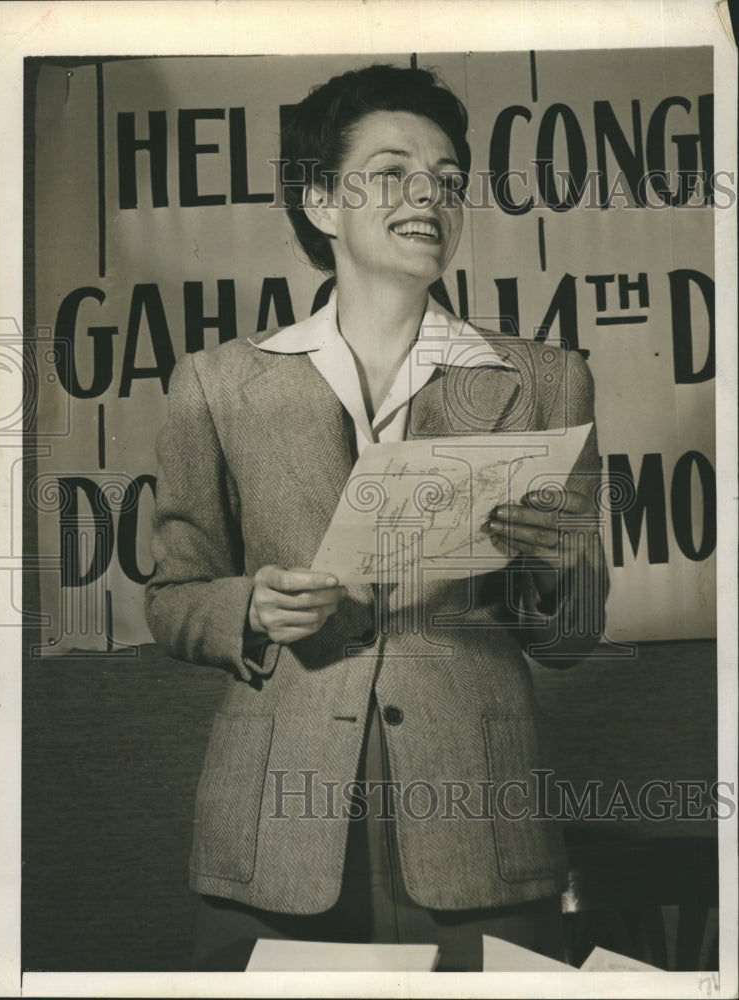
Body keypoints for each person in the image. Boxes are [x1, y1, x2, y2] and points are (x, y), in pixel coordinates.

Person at [145, 63, 607, 972]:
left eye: (445, 177)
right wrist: (250, 607)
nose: (427, 194)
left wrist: (559, 569)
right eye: (393, 170)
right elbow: (173, 594)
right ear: (320, 201)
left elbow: (570, 636)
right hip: (277, 822)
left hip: (479, 816)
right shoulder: (216, 383)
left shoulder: (544, 380)